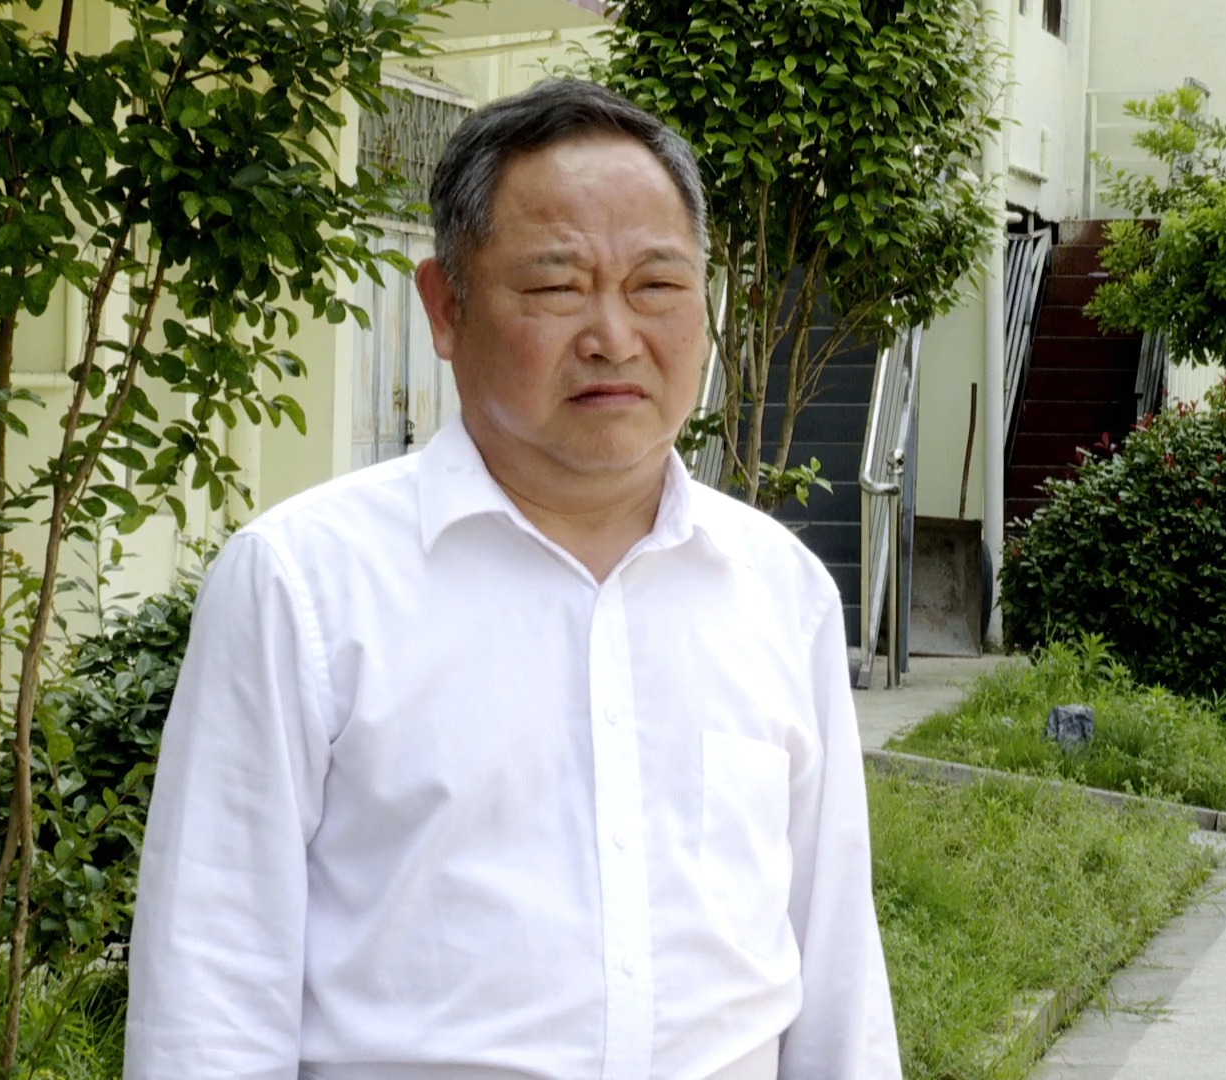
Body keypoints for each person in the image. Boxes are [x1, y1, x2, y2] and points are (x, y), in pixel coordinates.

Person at [123, 78, 902, 1080]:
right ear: (446, 308)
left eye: (657, 285)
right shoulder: (303, 586)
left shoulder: (780, 592)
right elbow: (212, 993)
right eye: (555, 287)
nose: (613, 336)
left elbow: (836, 974)